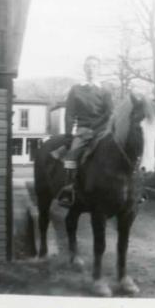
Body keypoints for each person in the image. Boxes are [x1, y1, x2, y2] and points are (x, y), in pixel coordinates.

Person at [56, 55, 114, 207]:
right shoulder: (76, 90)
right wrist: (69, 135)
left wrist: (102, 128)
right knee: (72, 154)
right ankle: (69, 190)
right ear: (84, 68)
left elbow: (110, 113)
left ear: (99, 69)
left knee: (120, 150)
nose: (91, 69)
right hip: (83, 130)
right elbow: (69, 114)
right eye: (88, 66)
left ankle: (135, 188)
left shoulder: (105, 90)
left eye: (94, 66)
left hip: (102, 130)